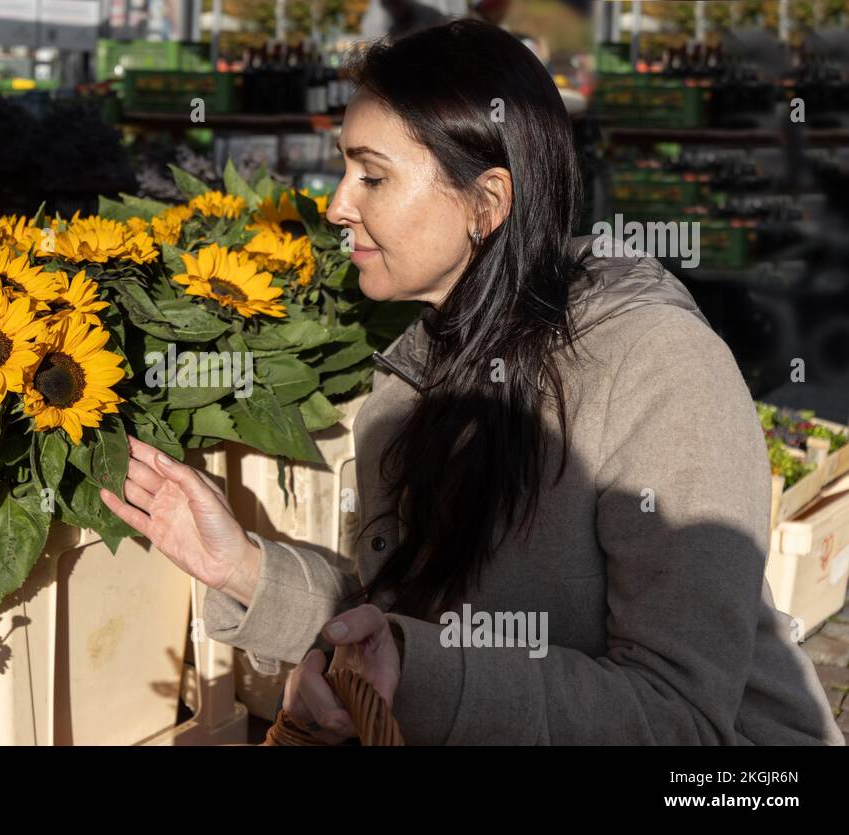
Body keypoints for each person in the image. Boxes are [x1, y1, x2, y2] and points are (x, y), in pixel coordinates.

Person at [100, 20, 844, 745]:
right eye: (343, 169)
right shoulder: (419, 372)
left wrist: (420, 679)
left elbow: (677, 715)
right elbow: (417, 626)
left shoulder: (657, 368)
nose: (335, 205)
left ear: (487, 204)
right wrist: (246, 566)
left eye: (373, 175)